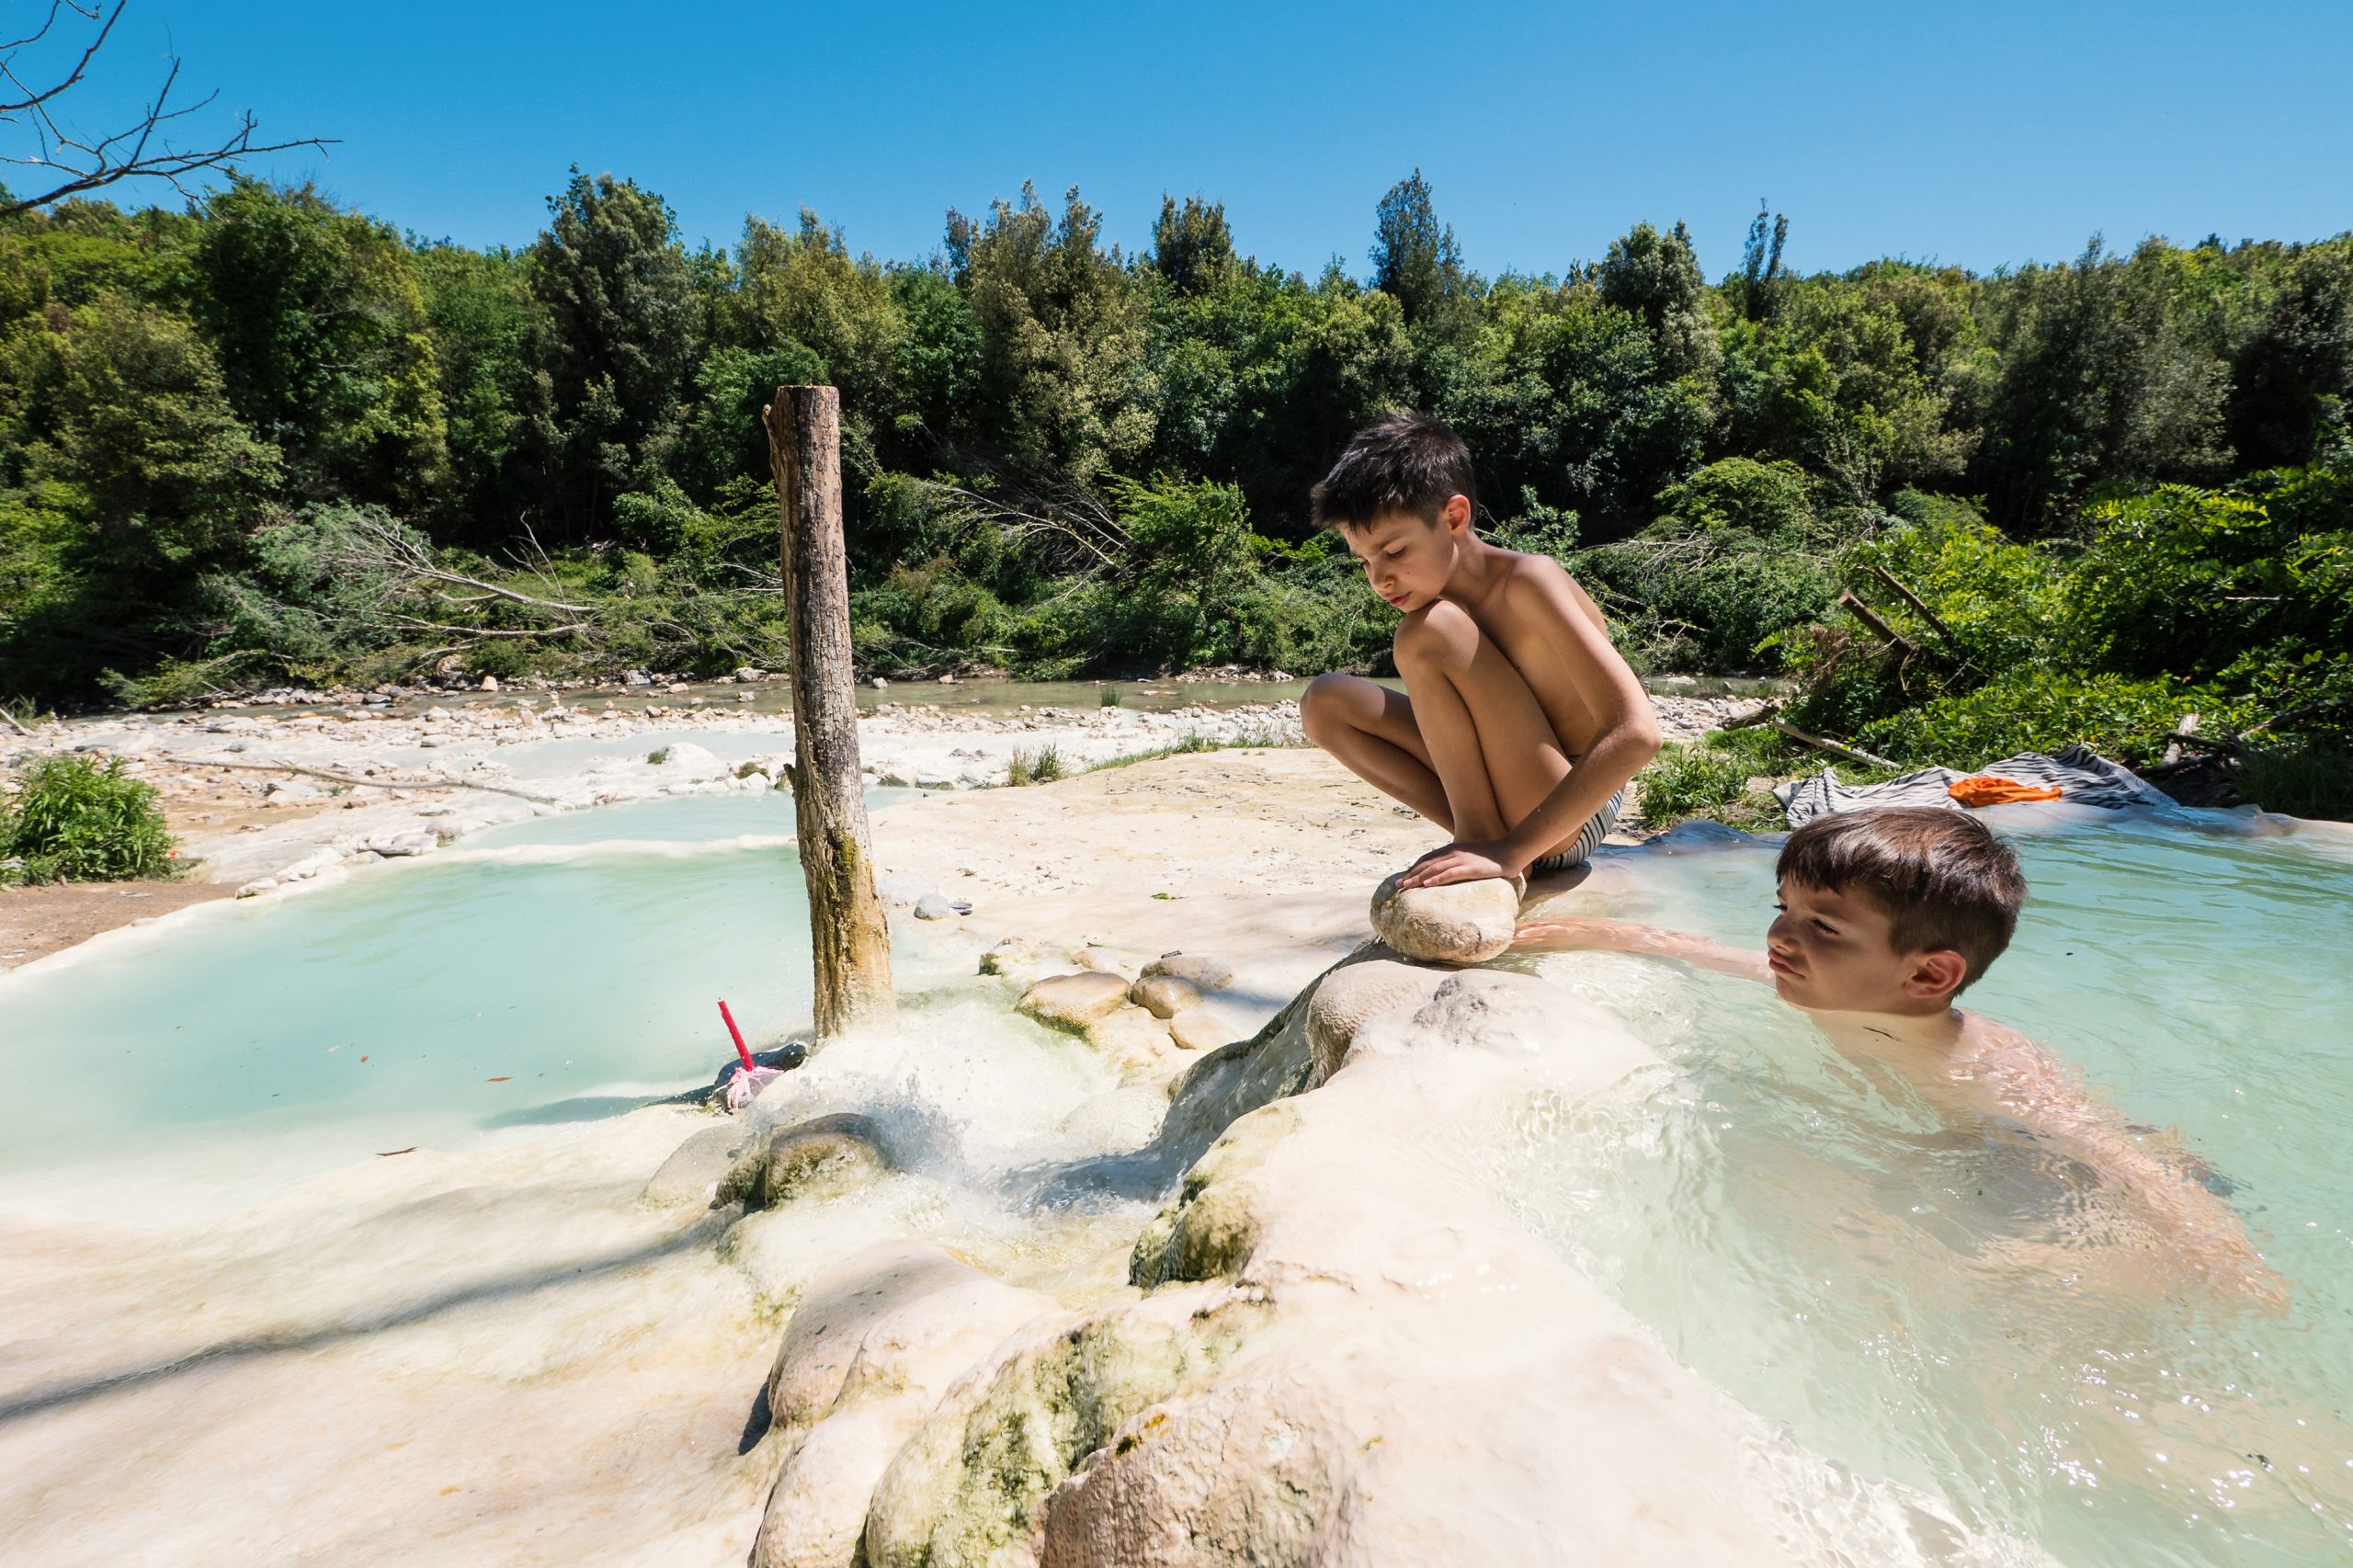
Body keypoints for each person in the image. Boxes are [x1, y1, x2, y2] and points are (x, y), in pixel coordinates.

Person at [1514, 805, 2281, 1299]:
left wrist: (2221, 1253)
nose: (1781, 937)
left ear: (1927, 975)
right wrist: (1597, 931)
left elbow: (2103, 1146)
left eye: (1825, 925)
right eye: (1782, 909)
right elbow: (1684, 945)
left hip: (2054, 1160)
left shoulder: (1982, 1066)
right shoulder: (1830, 983)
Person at [1300, 411, 1661, 888]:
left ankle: (1485, 839)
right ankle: (1477, 834)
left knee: (1428, 631)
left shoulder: (1528, 582)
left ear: (1454, 517)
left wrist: (1512, 852)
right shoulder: (1437, 610)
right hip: (1513, 801)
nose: (1379, 579)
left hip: (1573, 810)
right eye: (1364, 561)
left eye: (1395, 552)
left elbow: (1638, 732)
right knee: (1325, 702)